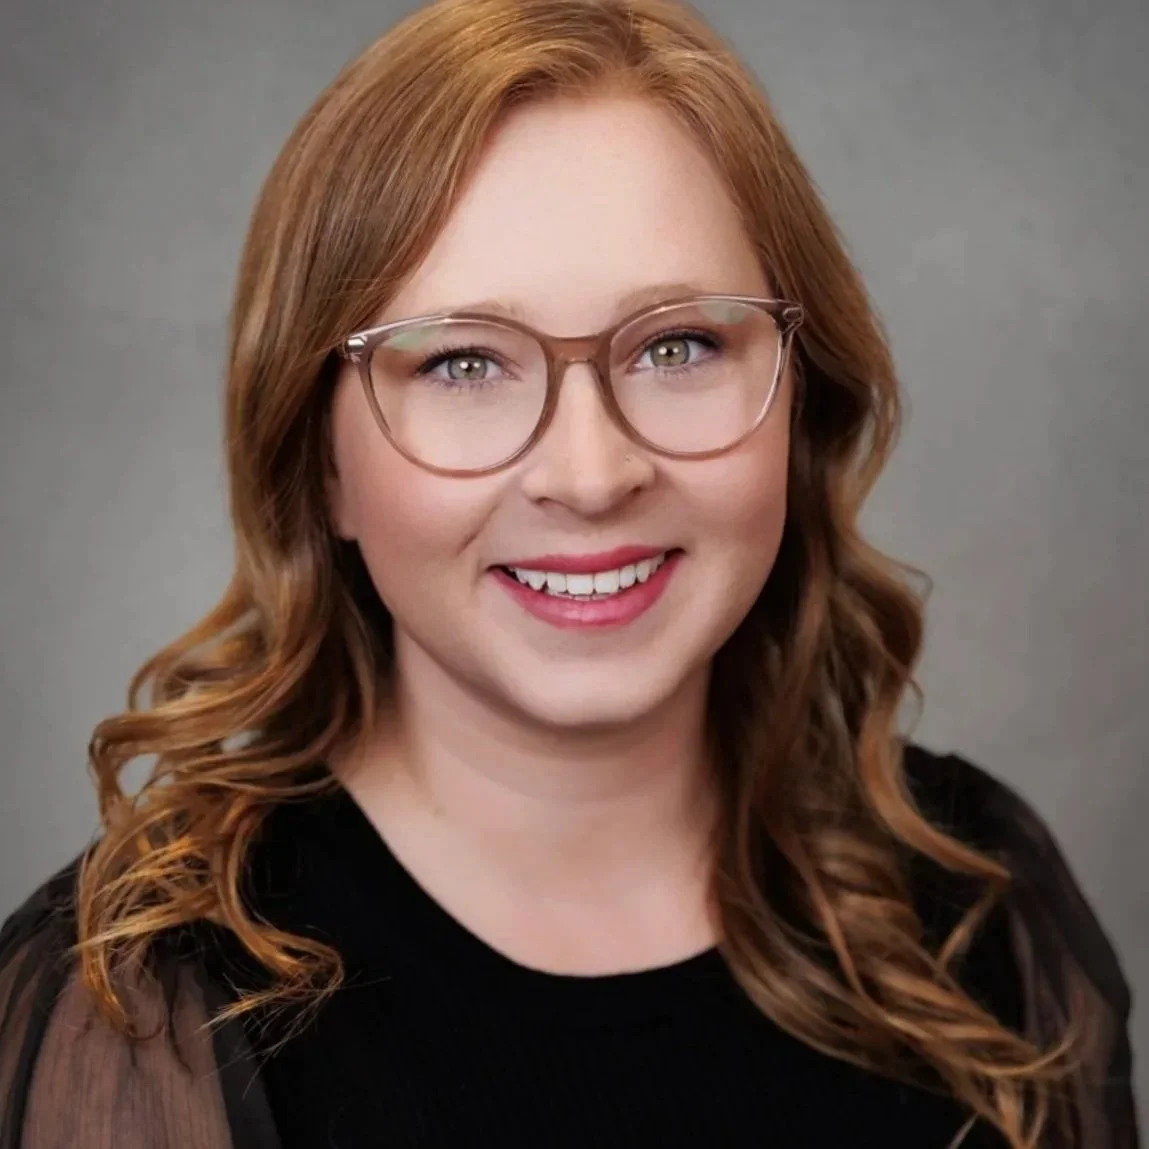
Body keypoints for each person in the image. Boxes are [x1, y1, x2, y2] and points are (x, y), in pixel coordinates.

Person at [0, 0, 1137, 1145]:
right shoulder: (141, 1015)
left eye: (678, 346)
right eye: (462, 363)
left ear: (801, 400)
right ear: (321, 466)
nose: (592, 475)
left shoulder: (983, 906)